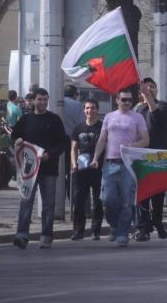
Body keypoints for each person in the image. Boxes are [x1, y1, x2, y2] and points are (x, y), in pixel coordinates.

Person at [11, 88, 69, 249]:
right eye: (40, 99)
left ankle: (46, 235)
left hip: (49, 168)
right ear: (33, 100)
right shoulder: (26, 119)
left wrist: (50, 155)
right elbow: (14, 136)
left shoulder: (54, 119)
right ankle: (21, 235)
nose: (42, 102)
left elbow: (63, 143)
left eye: (45, 99)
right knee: (26, 202)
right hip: (29, 170)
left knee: (49, 204)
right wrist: (17, 141)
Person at [93, 88, 149, 247]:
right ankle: (115, 224)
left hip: (128, 164)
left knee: (126, 201)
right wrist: (96, 157)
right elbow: (102, 139)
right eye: (123, 100)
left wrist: (132, 145)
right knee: (108, 198)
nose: (127, 103)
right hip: (110, 163)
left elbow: (145, 140)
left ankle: (122, 233)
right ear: (117, 100)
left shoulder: (137, 117)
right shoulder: (109, 117)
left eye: (130, 100)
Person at [134, 78, 167, 240]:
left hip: (159, 156)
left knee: (158, 194)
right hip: (142, 157)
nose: (150, 89)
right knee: (142, 194)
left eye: (153, 87)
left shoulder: (162, 105)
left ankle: (157, 222)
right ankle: (143, 227)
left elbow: (157, 116)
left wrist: (148, 97)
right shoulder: (137, 109)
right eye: (147, 87)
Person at [70, 99, 103, 240]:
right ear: (84, 110)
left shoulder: (103, 127)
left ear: (97, 109)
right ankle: (78, 231)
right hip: (81, 170)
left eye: (93, 108)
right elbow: (73, 148)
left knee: (98, 202)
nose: (90, 111)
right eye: (87, 108)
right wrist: (73, 165)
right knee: (78, 202)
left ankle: (96, 231)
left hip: (98, 169)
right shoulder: (78, 128)